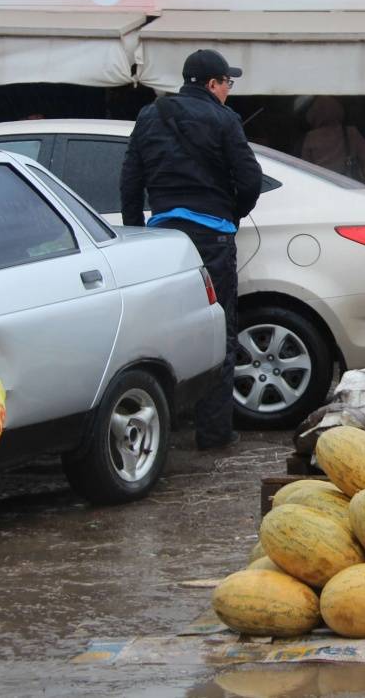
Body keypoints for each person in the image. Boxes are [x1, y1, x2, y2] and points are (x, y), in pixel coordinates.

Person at [120, 49, 263, 450]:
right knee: (218, 329)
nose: (229, 92)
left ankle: (159, 428)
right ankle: (214, 432)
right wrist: (231, 214)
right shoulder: (224, 120)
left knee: (164, 332)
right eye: (228, 84)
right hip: (212, 238)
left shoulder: (150, 116)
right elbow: (249, 178)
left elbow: (130, 180)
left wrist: (136, 233)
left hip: (166, 240)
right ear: (214, 84)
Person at [299, 96, 365, 182]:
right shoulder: (350, 132)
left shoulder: (310, 137)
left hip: (321, 183)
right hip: (346, 183)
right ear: (339, 111)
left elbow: (304, 166)